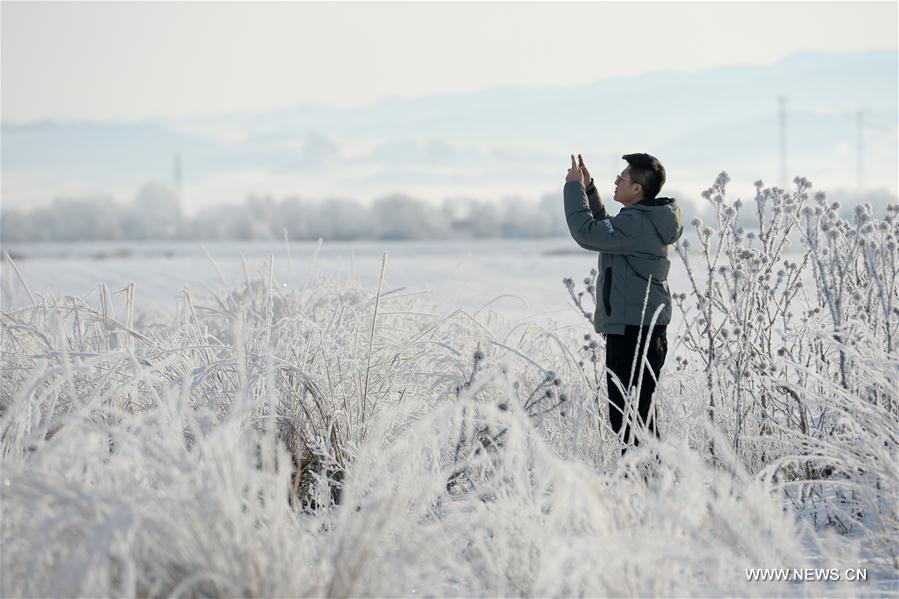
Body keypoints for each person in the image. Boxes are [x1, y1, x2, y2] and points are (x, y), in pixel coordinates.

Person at [563, 153, 683, 456]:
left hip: (632, 331)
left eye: (622, 178)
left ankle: (643, 487)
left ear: (637, 189)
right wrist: (589, 189)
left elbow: (587, 233)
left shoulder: (636, 223)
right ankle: (647, 484)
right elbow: (607, 232)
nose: (616, 181)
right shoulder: (641, 220)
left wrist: (573, 188)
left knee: (629, 417)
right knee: (637, 415)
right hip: (641, 329)